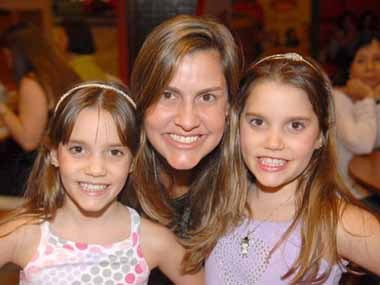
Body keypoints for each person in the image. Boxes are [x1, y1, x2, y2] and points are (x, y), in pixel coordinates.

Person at [0, 82, 204, 285]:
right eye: (78, 149)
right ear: (54, 153)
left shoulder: (151, 240)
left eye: (114, 152)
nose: (96, 169)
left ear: (132, 160)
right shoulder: (25, 233)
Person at [205, 53, 380, 284]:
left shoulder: (339, 223)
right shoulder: (218, 202)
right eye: (258, 122)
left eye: (295, 125)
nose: (273, 142)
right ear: (237, 124)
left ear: (321, 135)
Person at [127, 14, 243, 283]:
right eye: (168, 95)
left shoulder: (253, 189)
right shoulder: (111, 180)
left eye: (207, 97)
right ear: (142, 99)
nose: (187, 121)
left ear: (228, 106)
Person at [0, 22, 80, 196]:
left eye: (8, 56)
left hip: (36, 173)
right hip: (62, 163)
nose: (8, 62)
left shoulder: (32, 82)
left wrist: (2, 108)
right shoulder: (60, 73)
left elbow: (28, 141)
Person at [333, 31, 380, 210]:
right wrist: (368, 99)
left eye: (377, 59)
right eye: (361, 61)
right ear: (349, 66)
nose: (370, 67)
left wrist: (374, 101)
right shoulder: (337, 97)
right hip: (346, 194)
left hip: (369, 188)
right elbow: (363, 144)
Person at [55, 17, 109, 82]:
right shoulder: (92, 66)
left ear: (74, 38)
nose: (57, 41)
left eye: (61, 36)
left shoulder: (76, 71)